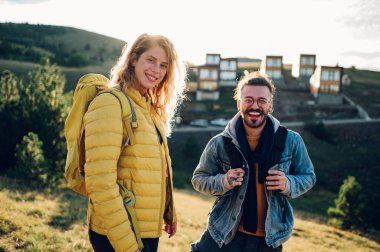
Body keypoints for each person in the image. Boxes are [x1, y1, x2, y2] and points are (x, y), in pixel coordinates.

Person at [190, 71, 316, 252]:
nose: (255, 106)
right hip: (224, 233)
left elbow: (308, 176)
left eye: (262, 101)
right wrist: (223, 181)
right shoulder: (220, 143)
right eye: (248, 100)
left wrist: (288, 183)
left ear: (270, 105)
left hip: (269, 240)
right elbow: (198, 179)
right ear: (239, 103)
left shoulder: (291, 140)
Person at [83, 33, 186, 252]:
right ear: (133, 59)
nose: (156, 70)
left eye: (163, 65)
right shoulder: (110, 104)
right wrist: (128, 245)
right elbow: (100, 183)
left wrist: (168, 211)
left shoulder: (148, 108)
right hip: (119, 235)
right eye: (150, 60)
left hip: (144, 229)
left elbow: (155, 168)